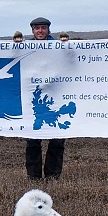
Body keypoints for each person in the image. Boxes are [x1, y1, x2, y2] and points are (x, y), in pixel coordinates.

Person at [25, 17, 66, 180]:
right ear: (32, 31)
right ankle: (33, 176)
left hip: (56, 98)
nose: (40, 31)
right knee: (33, 140)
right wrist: (16, 43)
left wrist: (67, 45)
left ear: (49, 30)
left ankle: (53, 175)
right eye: (37, 28)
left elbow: (71, 59)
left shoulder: (58, 47)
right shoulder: (25, 47)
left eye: (43, 28)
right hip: (33, 100)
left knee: (57, 139)